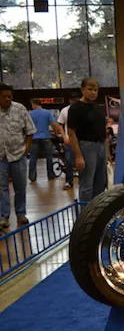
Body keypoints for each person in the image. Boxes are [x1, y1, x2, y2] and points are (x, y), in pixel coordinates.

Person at [68, 77, 109, 204]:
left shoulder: (97, 107)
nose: (93, 92)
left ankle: (97, 210)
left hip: (101, 146)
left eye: (95, 90)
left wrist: (107, 153)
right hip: (86, 147)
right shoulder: (75, 108)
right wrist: (78, 156)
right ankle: (86, 212)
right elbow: (71, 133)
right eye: (90, 89)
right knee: (87, 183)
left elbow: (103, 131)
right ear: (82, 90)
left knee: (101, 183)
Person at [0, 83, 35, 230]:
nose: (7, 99)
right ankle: (3, 217)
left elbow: (30, 131)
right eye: (4, 96)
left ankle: (21, 214)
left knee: (20, 187)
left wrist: (26, 149)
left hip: (18, 155)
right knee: (1, 188)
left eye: (10, 96)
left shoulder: (20, 109)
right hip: (1, 157)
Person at [29, 99, 63, 183]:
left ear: (34, 104)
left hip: (34, 138)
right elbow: (54, 124)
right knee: (49, 157)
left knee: (33, 158)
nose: (32, 106)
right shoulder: (47, 113)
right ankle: (50, 175)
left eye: (32, 105)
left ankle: (32, 177)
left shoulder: (30, 114)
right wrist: (55, 133)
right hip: (46, 137)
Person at [57, 92, 79, 190]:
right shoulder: (65, 111)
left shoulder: (83, 109)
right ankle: (69, 181)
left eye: (77, 99)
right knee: (69, 161)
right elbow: (60, 125)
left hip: (82, 140)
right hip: (70, 140)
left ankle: (83, 181)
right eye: (73, 99)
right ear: (70, 100)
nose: (75, 101)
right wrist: (64, 137)